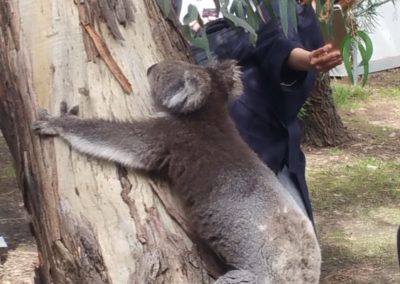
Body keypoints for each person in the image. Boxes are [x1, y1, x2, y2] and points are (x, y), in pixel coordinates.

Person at [188, 1, 342, 223]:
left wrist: (307, 59)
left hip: (261, 147)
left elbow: (278, 44)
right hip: (190, 146)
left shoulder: (277, 6)